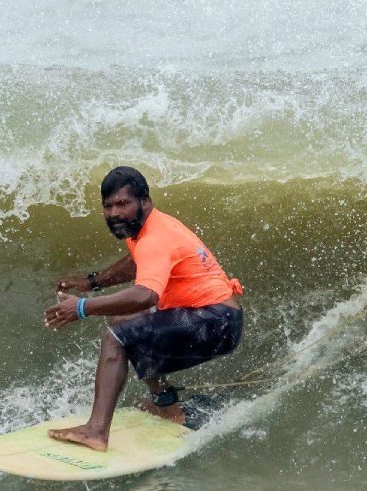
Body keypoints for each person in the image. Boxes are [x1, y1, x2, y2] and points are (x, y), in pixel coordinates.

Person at [41, 166, 245, 451]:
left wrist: (83, 307)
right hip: (217, 318)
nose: (114, 213)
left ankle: (96, 431)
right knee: (124, 319)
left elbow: (146, 295)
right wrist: (93, 282)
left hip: (215, 322)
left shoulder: (155, 237)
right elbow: (140, 262)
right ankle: (167, 407)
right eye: (108, 206)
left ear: (145, 202)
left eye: (123, 203)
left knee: (118, 336)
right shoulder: (143, 228)